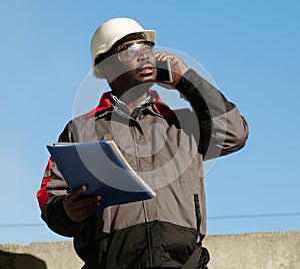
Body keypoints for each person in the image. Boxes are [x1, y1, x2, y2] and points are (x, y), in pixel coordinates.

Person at [37, 17, 248, 269]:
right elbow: (50, 197)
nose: (145, 56)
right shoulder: (79, 130)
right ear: (105, 67)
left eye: (148, 48)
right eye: (131, 50)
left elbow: (235, 134)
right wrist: (67, 212)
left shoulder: (184, 123)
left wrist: (188, 80)